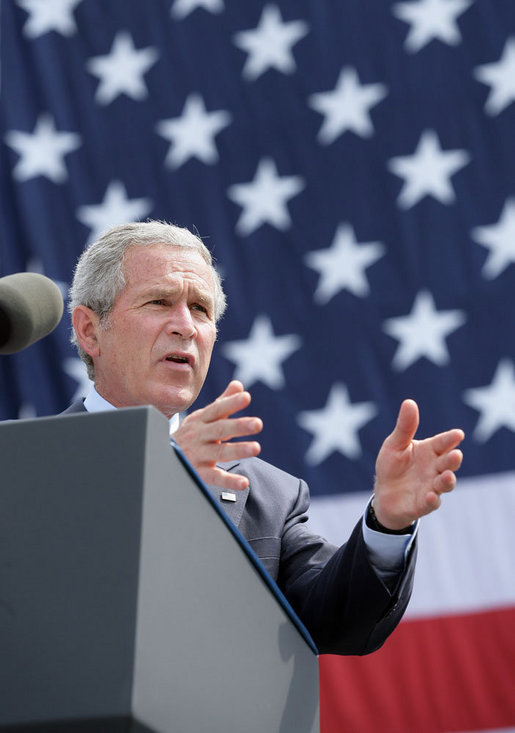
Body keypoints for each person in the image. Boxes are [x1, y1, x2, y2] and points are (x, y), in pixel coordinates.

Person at [63, 220, 464, 655]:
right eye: (159, 302)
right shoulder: (24, 467)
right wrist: (161, 476)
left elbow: (338, 619)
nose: (185, 326)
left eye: (200, 309)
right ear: (89, 330)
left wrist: (387, 525)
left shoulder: (270, 496)